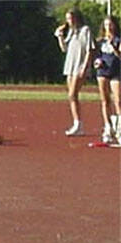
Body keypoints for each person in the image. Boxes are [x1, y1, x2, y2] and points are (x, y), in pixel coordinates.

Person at [54, 8, 95, 136]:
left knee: (73, 94)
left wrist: (85, 66)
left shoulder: (85, 30)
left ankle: (78, 124)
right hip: (70, 65)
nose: (69, 21)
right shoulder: (71, 32)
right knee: (71, 96)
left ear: (77, 18)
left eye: (71, 18)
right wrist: (60, 37)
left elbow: (90, 49)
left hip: (79, 65)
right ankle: (77, 123)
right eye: (67, 19)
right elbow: (64, 49)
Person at [94, 15, 121, 144]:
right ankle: (108, 127)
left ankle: (119, 130)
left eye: (110, 24)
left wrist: (114, 47)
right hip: (103, 71)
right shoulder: (100, 41)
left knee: (118, 101)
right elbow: (96, 56)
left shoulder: (118, 40)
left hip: (116, 71)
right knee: (105, 101)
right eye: (106, 25)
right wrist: (97, 62)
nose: (108, 27)